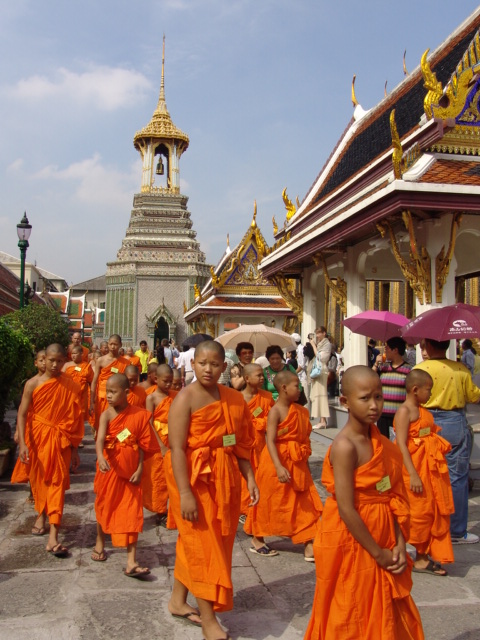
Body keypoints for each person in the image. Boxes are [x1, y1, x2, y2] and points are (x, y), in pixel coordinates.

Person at [304, 365, 424, 639]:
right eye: (365, 398)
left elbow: (389, 494)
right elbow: (346, 508)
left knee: (388, 604)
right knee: (352, 607)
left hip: (383, 529)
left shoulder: (380, 441)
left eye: (379, 397)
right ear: (344, 402)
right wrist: (378, 552)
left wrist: (398, 541)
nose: (374, 405)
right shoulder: (345, 446)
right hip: (353, 538)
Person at [164, 340, 258, 640]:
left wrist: (251, 478)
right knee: (204, 543)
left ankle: (178, 601)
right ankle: (208, 618)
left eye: (214, 364)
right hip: (191, 476)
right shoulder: (185, 399)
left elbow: (239, 444)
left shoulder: (233, 399)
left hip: (224, 476)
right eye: (202, 363)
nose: (208, 369)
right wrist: (186, 493)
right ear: (193, 364)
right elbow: (177, 449)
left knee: (205, 540)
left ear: (225, 367)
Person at [15, 344, 84, 557]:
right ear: (44, 359)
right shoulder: (32, 384)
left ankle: (54, 533)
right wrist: (23, 443)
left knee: (56, 485)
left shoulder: (71, 386)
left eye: (59, 361)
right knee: (39, 481)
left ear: (65, 361)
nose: (55, 365)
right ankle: (41, 515)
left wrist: (74, 450)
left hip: (60, 442)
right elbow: (22, 414)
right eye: (51, 360)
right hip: (37, 439)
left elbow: (75, 421)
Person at [92, 373, 160, 575]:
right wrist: (100, 457)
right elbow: (99, 439)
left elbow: (142, 446)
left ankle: (131, 561)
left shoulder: (138, 415)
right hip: (110, 469)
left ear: (126, 393)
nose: (109, 396)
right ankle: (99, 543)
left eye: (113, 392)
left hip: (131, 472)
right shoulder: (106, 414)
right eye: (107, 392)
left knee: (132, 514)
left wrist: (140, 469)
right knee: (104, 506)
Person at [252, 370, 322, 562]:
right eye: (296, 386)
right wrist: (279, 466)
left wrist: (304, 462)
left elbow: (305, 438)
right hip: (276, 462)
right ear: (283, 388)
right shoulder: (274, 412)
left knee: (304, 502)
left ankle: (308, 542)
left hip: (297, 462)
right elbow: (270, 441)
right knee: (270, 500)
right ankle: (258, 537)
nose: (299, 389)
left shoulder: (301, 411)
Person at [415, 338, 480, 543]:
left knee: (426, 474)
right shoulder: (459, 369)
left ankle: (425, 526)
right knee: (457, 478)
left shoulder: (419, 369)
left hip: (426, 422)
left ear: (429, 346)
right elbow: (474, 396)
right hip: (453, 420)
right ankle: (456, 530)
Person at [394, 369, 454, 576]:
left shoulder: (422, 410)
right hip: (415, 470)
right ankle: (413, 555)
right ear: (415, 389)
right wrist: (413, 474)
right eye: (428, 390)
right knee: (418, 513)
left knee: (430, 511)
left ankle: (423, 556)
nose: (430, 394)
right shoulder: (405, 411)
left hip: (430, 469)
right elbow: (401, 444)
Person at [240, 363, 276, 555]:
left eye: (263, 375)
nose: (262, 378)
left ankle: (254, 522)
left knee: (260, 486)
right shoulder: (237, 399)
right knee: (245, 486)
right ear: (246, 379)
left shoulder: (267, 398)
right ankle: (248, 518)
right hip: (244, 449)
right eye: (258, 375)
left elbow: (274, 420)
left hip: (262, 448)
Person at [142, 364, 177, 526]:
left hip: (173, 438)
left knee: (173, 475)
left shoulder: (175, 396)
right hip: (158, 440)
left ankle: (174, 508)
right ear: (156, 379)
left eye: (171, 381)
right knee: (158, 477)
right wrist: (161, 446)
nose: (169, 385)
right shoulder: (151, 398)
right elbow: (148, 421)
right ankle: (160, 510)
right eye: (166, 381)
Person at [373, 336, 412, 439]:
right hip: (383, 414)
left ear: (395, 350)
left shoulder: (408, 370)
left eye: (387, 349)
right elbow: (370, 379)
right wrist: (376, 364)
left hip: (399, 415)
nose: (385, 351)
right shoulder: (383, 367)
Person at [89, 335, 130, 431]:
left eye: (115, 344)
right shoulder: (101, 360)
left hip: (118, 397)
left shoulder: (125, 363)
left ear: (120, 345)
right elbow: (94, 381)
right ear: (108, 344)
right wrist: (91, 400)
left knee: (116, 424)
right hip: (102, 397)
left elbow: (127, 383)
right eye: (111, 344)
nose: (113, 347)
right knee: (101, 425)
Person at [62, 345, 94, 423]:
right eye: (72, 353)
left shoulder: (86, 366)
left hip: (82, 398)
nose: (73, 355)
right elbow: (61, 381)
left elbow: (92, 382)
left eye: (75, 353)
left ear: (81, 354)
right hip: (69, 397)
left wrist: (92, 401)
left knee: (80, 421)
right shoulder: (67, 365)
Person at [309, 327, 331, 428]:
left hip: (321, 370)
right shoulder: (321, 344)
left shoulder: (327, 344)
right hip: (317, 369)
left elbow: (320, 357)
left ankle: (323, 420)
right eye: (316, 334)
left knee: (321, 394)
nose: (317, 336)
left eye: (319, 333)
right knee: (317, 394)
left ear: (324, 333)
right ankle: (321, 420)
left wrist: (313, 345)